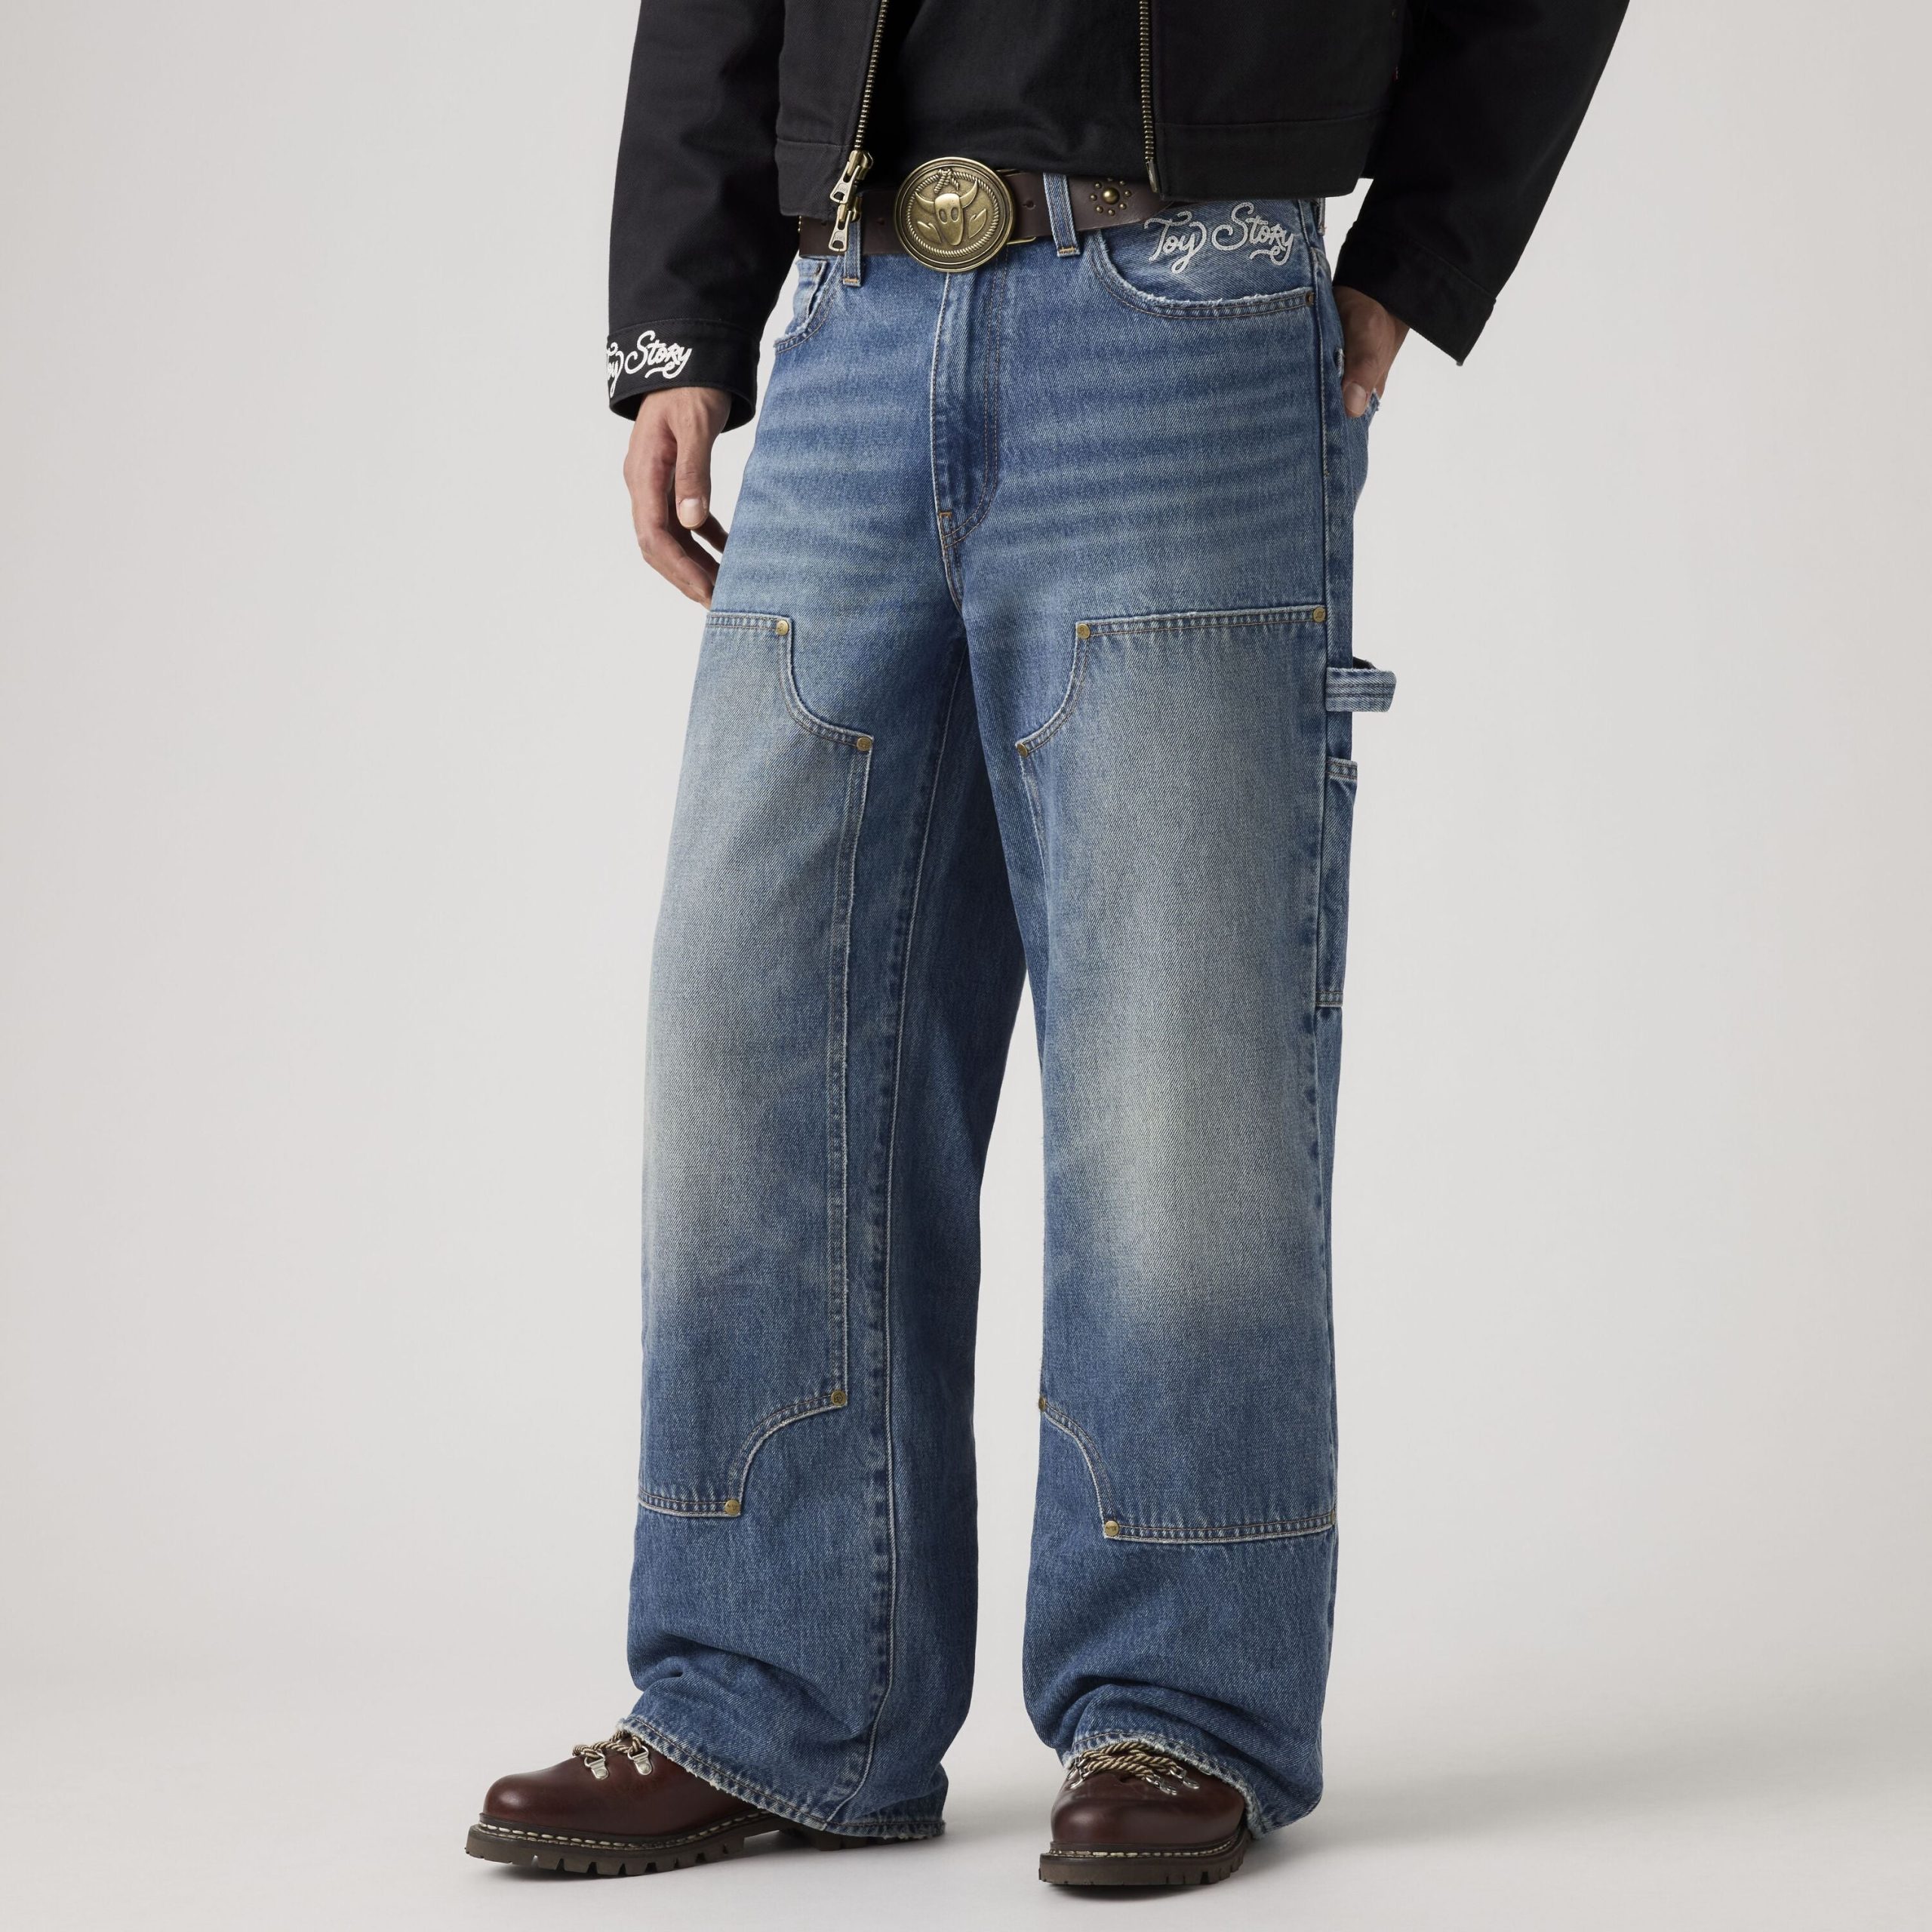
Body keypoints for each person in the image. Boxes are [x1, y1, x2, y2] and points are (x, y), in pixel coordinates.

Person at [467, 0, 1625, 1890]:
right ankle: (772, 1693)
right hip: (847, 310)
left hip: (1184, 299)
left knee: (1176, 1046)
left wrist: (1414, 258)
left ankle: (1182, 1698)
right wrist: (678, 316)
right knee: (751, 1025)